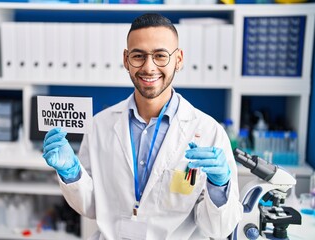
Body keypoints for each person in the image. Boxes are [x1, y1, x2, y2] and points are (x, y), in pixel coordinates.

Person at [42, 13, 243, 239]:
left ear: (179, 59)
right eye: (139, 56)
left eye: (160, 55)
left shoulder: (209, 132)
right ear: (126, 59)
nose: (149, 67)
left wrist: (220, 188)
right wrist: (71, 173)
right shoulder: (100, 125)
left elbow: (218, 229)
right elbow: (91, 205)